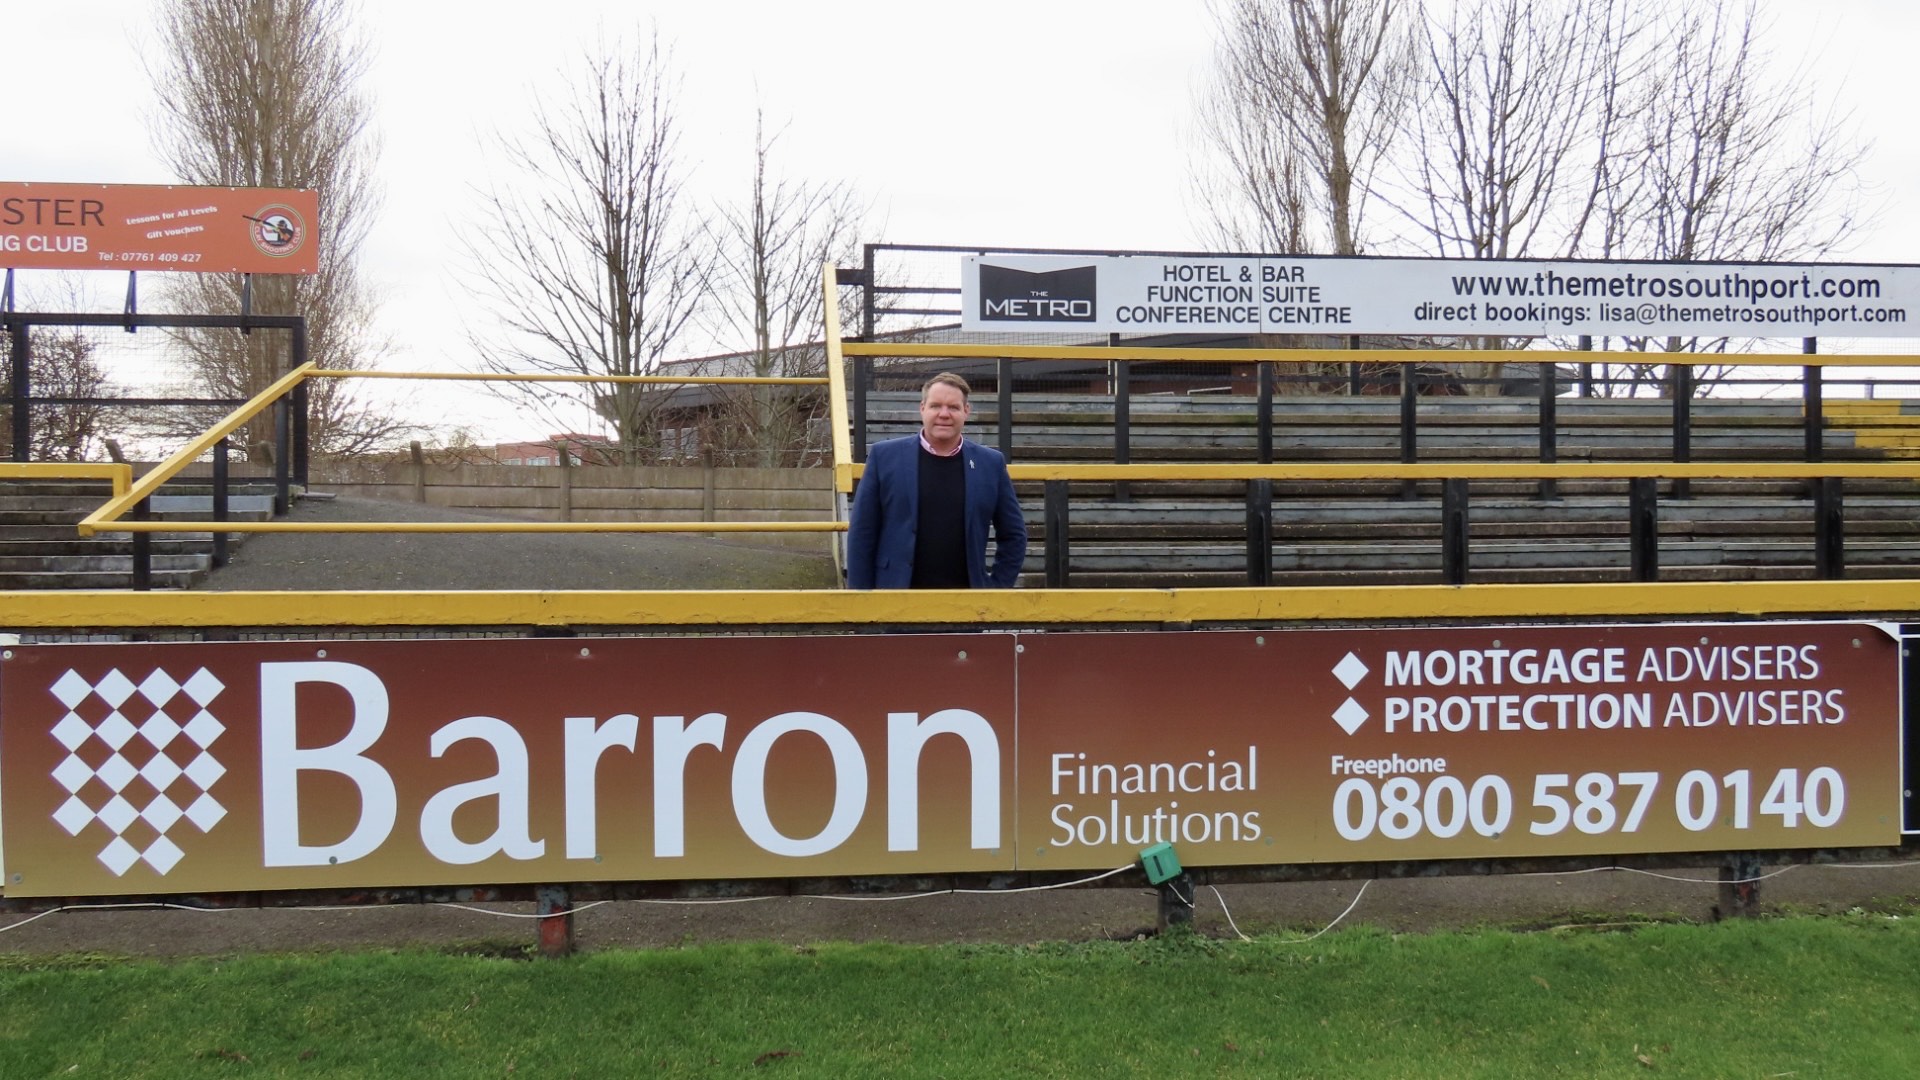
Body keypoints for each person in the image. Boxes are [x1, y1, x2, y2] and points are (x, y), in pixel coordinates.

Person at [846, 372, 1027, 589]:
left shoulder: (991, 463)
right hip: (894, 602)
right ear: (922, 408)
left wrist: (996, 588)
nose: (944, 414)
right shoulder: (883, 457)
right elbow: (861, 534)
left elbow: (1014, 535)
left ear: (966, 411)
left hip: (966, 607)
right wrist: (862, 602)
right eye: (935, 406)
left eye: (953, 407)